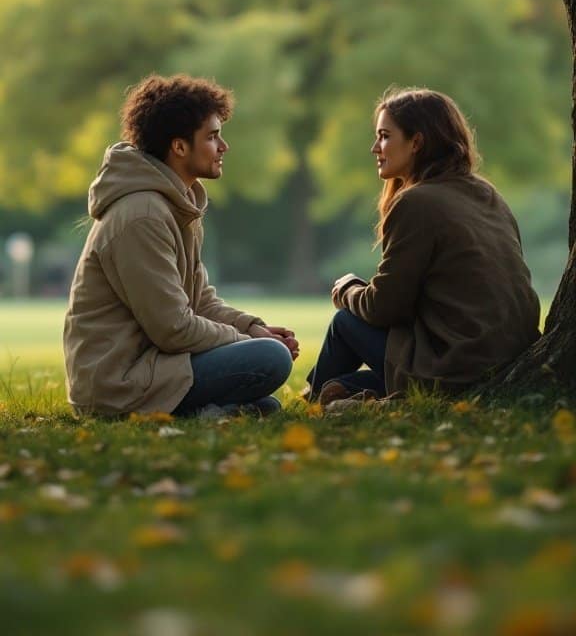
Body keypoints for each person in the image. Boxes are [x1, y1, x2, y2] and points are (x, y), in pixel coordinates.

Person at [64, 74, 298, 418]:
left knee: (266, 403)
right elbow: (173, 328)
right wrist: (249, 344)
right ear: (179, 147)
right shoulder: (141, 215)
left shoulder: (175, 205)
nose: (224, 147)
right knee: (270, 359)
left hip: (155, 368)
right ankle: (202, 412)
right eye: (213, 137)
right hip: (118, 385)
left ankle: (208, 413)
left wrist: (251, 327)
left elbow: (199, 300)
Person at [306, 87, 540, 407]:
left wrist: (347, 289)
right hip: (504, 358)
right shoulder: (488, 195)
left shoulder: (418, 202)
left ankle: (315, 398)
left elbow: (384, 308)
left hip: (458, 363)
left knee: (346, 321)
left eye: (385, 136)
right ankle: (339, 391)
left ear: (416, 142)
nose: (375, 147)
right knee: (346, 382)